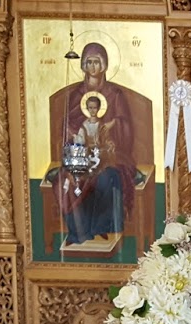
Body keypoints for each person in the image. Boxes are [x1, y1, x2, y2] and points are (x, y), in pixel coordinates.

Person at [49, 43, 153, 250]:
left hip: (111, 156)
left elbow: (126, 128)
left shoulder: (115, 94)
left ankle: (101, 228)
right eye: (88, 62)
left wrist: (113, 126)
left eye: (97, 62)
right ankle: (78, 232)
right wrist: (75, 133)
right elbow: (67, 126)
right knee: (66, 181)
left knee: (107, 178)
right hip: (80, 156)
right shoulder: (76, 95)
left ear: (104, 65)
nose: (93, 66)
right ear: (83, 65)